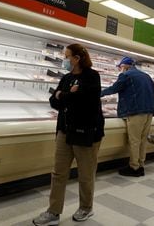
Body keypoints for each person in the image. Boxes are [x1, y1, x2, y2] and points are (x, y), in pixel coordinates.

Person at [33, 44, 104, 226]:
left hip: (86, 132)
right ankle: (53, 211)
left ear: (77, 58)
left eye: (67, 56)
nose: (64, 60)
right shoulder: (66, 78)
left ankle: (86, 208)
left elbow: (86, 103)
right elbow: (53, 102)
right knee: (58, 173)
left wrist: (61, 96)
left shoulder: (92, 77)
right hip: (65, 131)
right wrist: (66, 95)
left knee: (86, 174)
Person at [101, 57, 154, 177]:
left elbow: (114, 88)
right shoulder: (146, 75)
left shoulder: (126, 75)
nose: (120, 70)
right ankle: (141, 165)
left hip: (135, 111)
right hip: (149, 111)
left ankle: (134, 167)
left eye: (120, 67)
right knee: (142, 140)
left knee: (135, 140)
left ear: (124, 66)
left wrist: (98, 93)